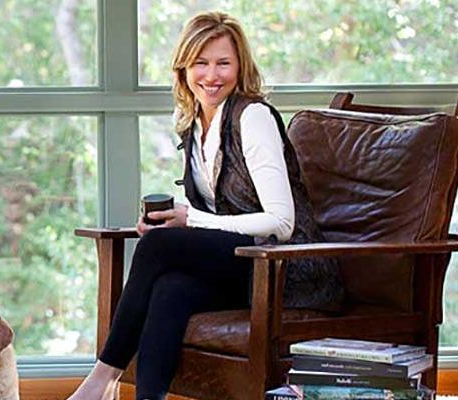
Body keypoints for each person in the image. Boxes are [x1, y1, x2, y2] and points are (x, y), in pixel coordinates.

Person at [67, 11, 343, 400]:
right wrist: (171, 222)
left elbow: (281, 223)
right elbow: (217, 214)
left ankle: (100, 381)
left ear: (240, 67)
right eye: (200, 63)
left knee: (156, 248)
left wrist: (188, 219)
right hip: (242, 266)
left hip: (286, 270)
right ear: (184, 68)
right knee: (170, 288)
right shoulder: (193, 123)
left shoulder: (254, 116)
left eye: (223, 63)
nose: (211, 75)